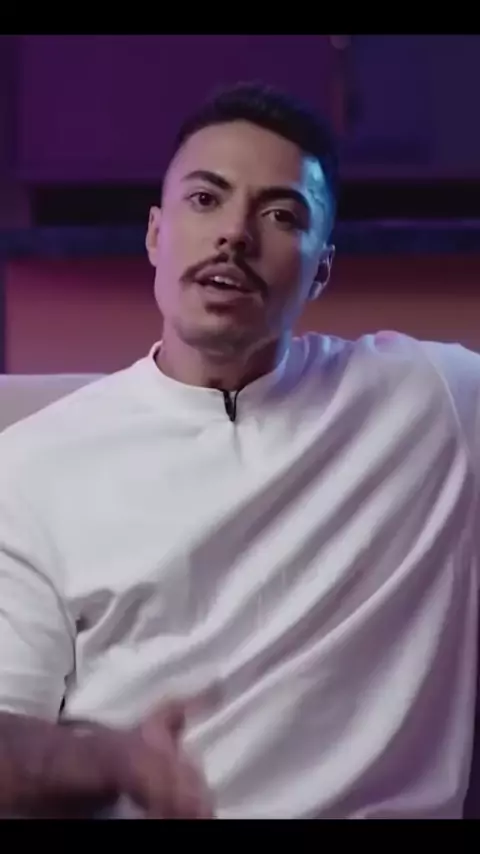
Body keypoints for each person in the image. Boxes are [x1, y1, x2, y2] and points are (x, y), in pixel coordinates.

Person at [0, 80, 478, 821]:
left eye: (281, 214)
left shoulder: (432, 401)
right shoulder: (32, 466)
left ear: (321, 269)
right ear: (155, 234)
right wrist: (109, 760)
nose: (235, 235)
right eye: (205, 199)